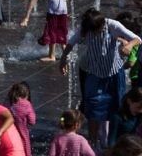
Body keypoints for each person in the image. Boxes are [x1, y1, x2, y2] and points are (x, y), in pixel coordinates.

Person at [60, 8, 141, 146]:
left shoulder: (113, 25)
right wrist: (63, 58)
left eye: (97, 30)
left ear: (102, 24)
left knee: (117, 107)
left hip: (115, 74)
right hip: (95, 75)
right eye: (93, 31)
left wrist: (129, 46)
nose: (95, 33)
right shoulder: (85, 29)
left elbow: (138, 39)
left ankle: (116, 140)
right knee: (93, 109)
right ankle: (93, 142)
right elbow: (70, 43)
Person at [7, 82, 36, 156]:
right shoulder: (26, 104)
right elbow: (32, 121)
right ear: (26, 94)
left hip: (9, 136)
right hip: (22, 137)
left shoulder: (8, 102)